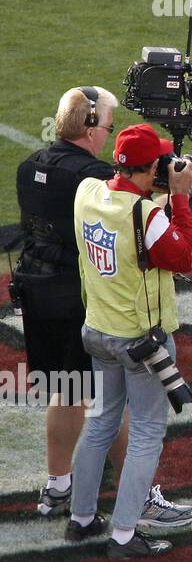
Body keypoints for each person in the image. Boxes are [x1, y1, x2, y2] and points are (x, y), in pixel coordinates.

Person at [67, 124, 192, 559]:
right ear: (153, 167)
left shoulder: (87, 192)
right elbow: (183, 256)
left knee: (102, 420)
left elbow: (123, 204)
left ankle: (82, 518)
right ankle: (124, 535)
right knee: (145, 432)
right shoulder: (146, 216)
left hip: (97, 329)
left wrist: (159, 198)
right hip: (141, 342)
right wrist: (180, 197)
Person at [15, 88, 124, 516]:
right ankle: (145, 497)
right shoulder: (94, 176)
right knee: (115, 397)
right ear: (90, 127)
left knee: (67, 390)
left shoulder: (29, 167)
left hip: (36, 289)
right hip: (81, 297)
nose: (109, 135)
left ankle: (57, 486)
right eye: (109, 126)